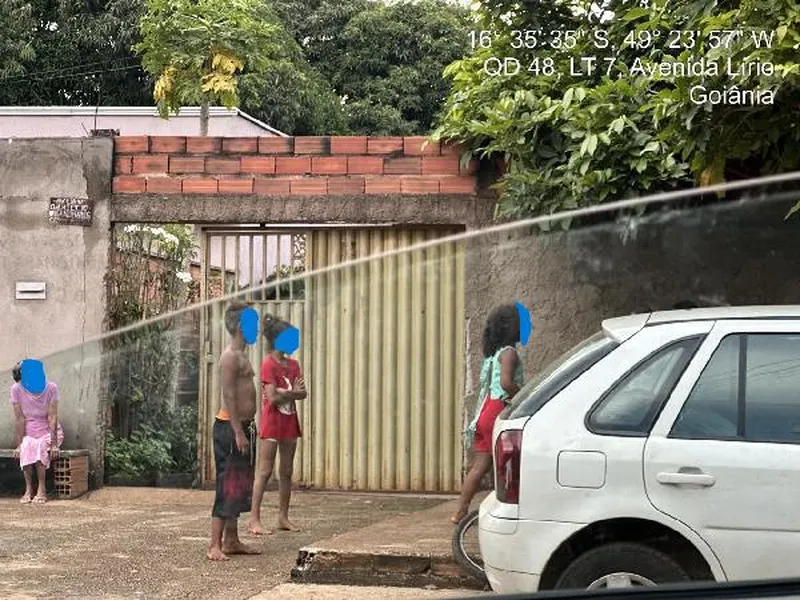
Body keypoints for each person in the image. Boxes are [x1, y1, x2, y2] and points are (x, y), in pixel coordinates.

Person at [451, 304, 525, 524]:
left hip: (484, 413)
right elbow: (506, 383)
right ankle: (506, 509)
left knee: (479, 466)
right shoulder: (509, 353)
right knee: (508, 464)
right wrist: (523, 396)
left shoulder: (493, 355)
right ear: (513, 328)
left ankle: (460, 511)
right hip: (498, 411)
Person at [208, 301, 262, 561]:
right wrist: (238, 431)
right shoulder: (229, 356)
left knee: (239, 486)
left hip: (244, 428)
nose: (258, 327)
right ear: (241, 326)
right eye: (253, 322)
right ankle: (214, 545)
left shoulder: (243, 355)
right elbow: (228, 394)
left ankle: (232, 539)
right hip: (230, 429)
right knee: (226, 484)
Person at [249, 314, 307, 535]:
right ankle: (254, 519)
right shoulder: (268, 364)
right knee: (264, 471)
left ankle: (283, 517)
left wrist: (285, 393)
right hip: (272, 422)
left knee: (286, 471)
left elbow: (303, 393)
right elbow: (272, 398)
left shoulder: (294, 364)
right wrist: (291, 393)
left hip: (289, 421)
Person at [10, 361, 64, 504]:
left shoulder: (51, 387)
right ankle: (28, 489)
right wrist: (19, 444)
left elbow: (52, 417)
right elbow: (19, 419)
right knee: (27, 445)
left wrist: (53, 444)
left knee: (40, 445)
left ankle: (42, 488)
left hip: (50, 432)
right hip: (29, 431)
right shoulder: (16, 389)